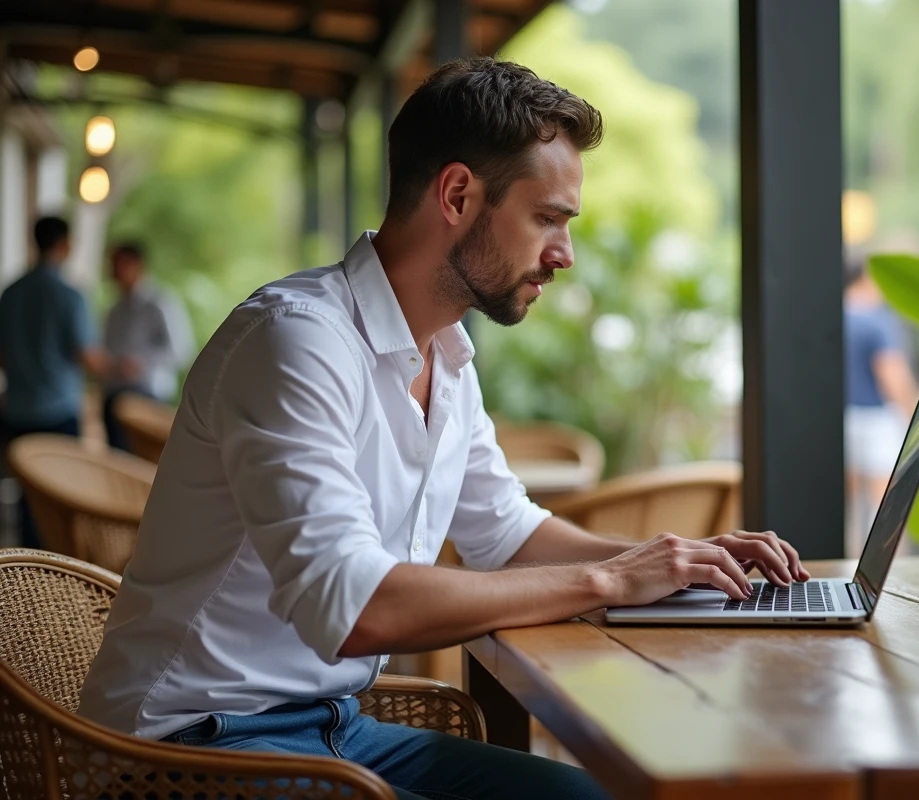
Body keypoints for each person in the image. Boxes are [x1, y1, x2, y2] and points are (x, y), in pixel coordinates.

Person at [77, 58, 809, 800]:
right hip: (186, 748)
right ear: (458, 195)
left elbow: (506, 533)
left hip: (333, 727)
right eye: (547, 218)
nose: (564, 254)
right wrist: (608, 580)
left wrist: (676, 563)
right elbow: (352, 606)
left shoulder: (447, 357)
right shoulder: (295, 341)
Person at [0, 216, 107, 548]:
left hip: (17, 409)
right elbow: (85, 354)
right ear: (65, 244)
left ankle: (26, 564)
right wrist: (116, 365)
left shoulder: (10, 293)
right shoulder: (69, 295)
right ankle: (57, 568)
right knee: (61, 498)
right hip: (58, 411)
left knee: (26, 496)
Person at [843, 258, 919, 550]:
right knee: (881, 503)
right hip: (876, 422)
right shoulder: (876, 321)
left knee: (849, 504)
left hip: (842, 419)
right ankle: (877, 563)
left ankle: (846, 556)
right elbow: (892, 375)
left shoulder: (834, 316)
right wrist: (913, 418)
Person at [101, 241, 194, 451]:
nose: (112, 270)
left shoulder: (162, 302)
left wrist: (140, 363)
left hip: (149, 396)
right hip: (113, 397)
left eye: (118, 263)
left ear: (137, 265)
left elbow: (181, 350)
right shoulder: (114, 310)